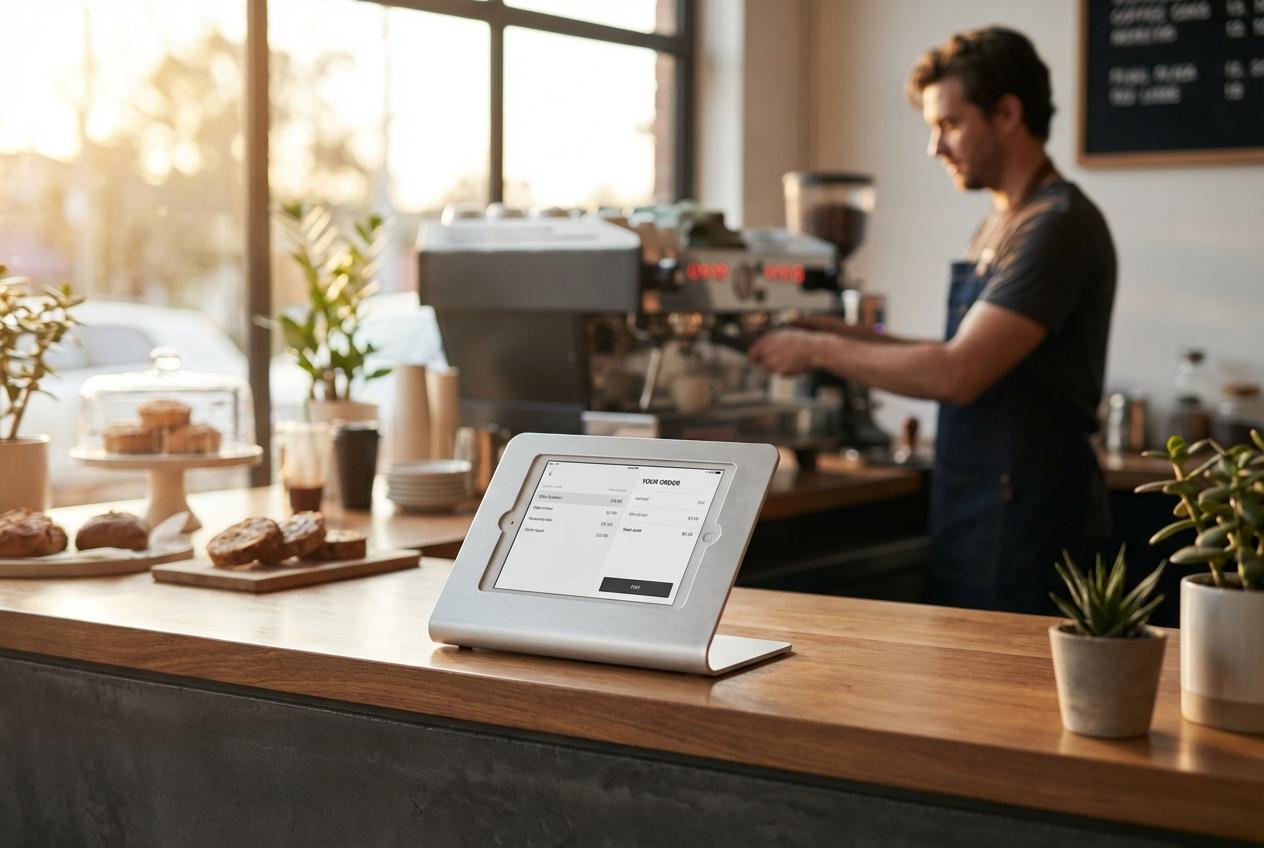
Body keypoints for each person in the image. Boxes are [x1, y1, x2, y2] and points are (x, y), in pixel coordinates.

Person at [749, 27, 1117, 614]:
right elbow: (964, 352)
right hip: (975, 505)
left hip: (1029, 518)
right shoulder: (1003, 223)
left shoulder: (1057, 227)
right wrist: (841, 333)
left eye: (948, 124)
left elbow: (956, 373)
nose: (935, 148)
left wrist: (814, 351)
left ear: (1007, 114)